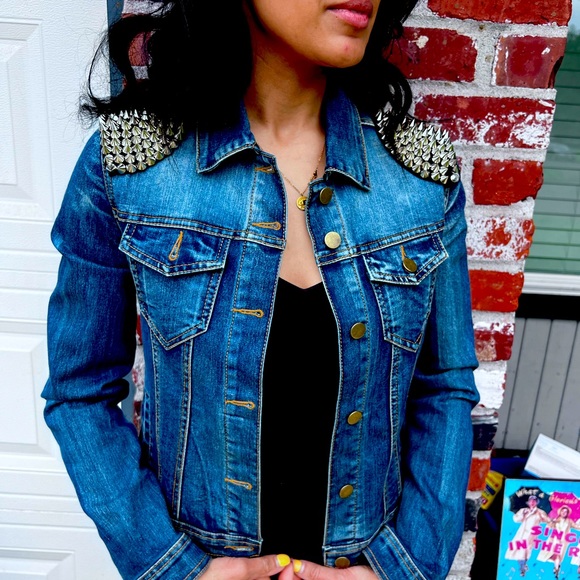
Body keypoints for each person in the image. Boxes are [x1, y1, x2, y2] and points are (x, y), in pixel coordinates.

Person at [42, 0, 480, 579]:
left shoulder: (420, 176)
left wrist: (399, 571)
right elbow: (79, 391)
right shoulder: (130, 165)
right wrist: (176, 570)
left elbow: (444, 388)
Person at [506, 496, 550, 577]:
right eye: (531, 501)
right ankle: (523, 566)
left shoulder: (540, 512)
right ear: (528, 502)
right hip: (522, 533)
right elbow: (516, 520)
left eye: (534, 501)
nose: (532, 502)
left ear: (536, 502)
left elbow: (547, 520)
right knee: (517, 551)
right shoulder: (523, 510)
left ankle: (522, 568)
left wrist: (542, 516)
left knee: (525, 551)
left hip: (532, 534)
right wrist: (522, 514)